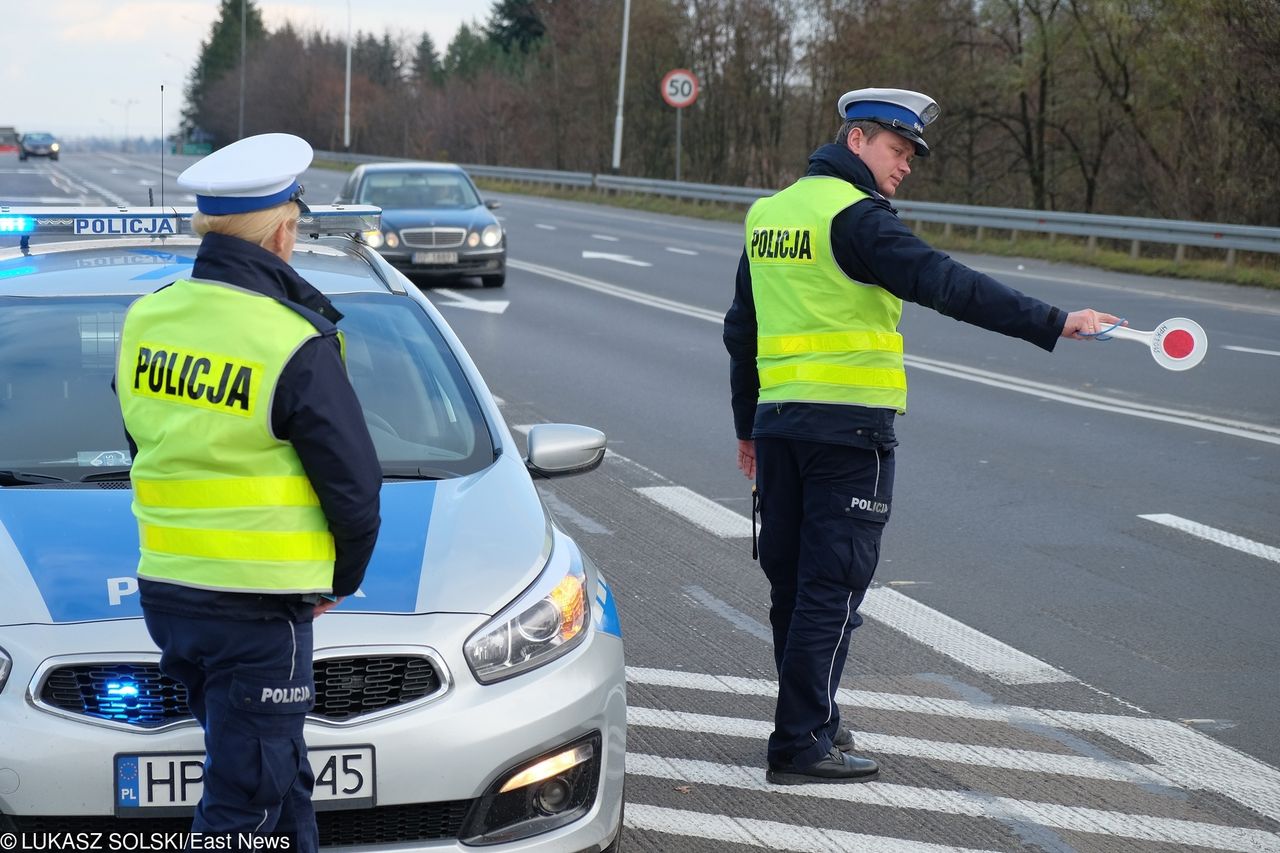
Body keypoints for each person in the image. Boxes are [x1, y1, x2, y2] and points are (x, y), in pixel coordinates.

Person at [723, 88, 1122, 785]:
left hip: (782, 425)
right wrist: (1054, 320)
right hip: (848, 429)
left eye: (910, 155)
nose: (905, 166)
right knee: (832, 588)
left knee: (794, 585)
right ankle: (799, 742)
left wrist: (747, 425)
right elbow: (946, 283)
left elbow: (741, 330)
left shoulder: (768, 215)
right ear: (857, 141)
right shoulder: (857, 219)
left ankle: (812, 719)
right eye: (897, 150)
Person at [115, 133, 382, 848]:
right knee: (245, 808)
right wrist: (341, 579)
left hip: (169, 595)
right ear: (284, 229)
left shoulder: (149, 317)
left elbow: (145, 436)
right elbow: (354, 488)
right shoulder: (289, 337)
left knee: (276, 777)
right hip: (258, 612)